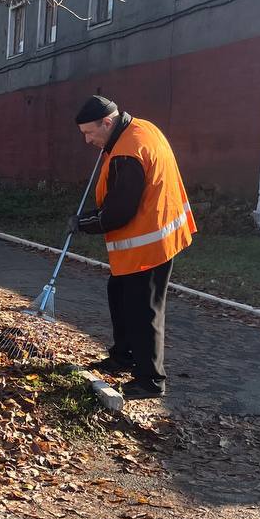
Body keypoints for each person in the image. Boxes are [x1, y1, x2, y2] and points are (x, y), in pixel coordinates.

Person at [67, 96, 196, 400]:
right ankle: (123, 357)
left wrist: (83, 223)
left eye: (90, 133)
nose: (88, 140)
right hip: (146, 238)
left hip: (149, 244)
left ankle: (150, 380)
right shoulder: (139, 130)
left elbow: (118, 212)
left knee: (143, 310)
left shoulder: (128, 152)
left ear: (108, 123)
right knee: (120, 296)